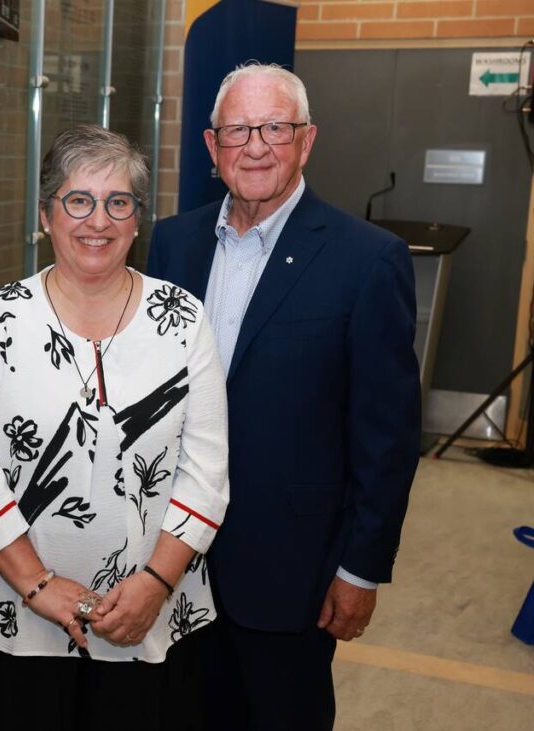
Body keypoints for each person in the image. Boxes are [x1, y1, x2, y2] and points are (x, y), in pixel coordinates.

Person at [147, 63, 421, 730]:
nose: (258, 146)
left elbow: (387, 436)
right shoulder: (172, 243)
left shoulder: (367, 260)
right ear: (212, 148)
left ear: (307, 140)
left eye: (276, 127)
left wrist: (360, 568)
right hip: (170, 565)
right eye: (239, 130)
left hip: (290, 578)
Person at [0, 124, 229, 729]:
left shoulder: (183, 321)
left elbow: (206, 473)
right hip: (13, 617)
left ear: (136, 218)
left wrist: (153, 584)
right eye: (78, 200)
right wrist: (40, 585)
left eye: (118, 202)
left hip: (151, 617)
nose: (98, 220)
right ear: (47, 214)